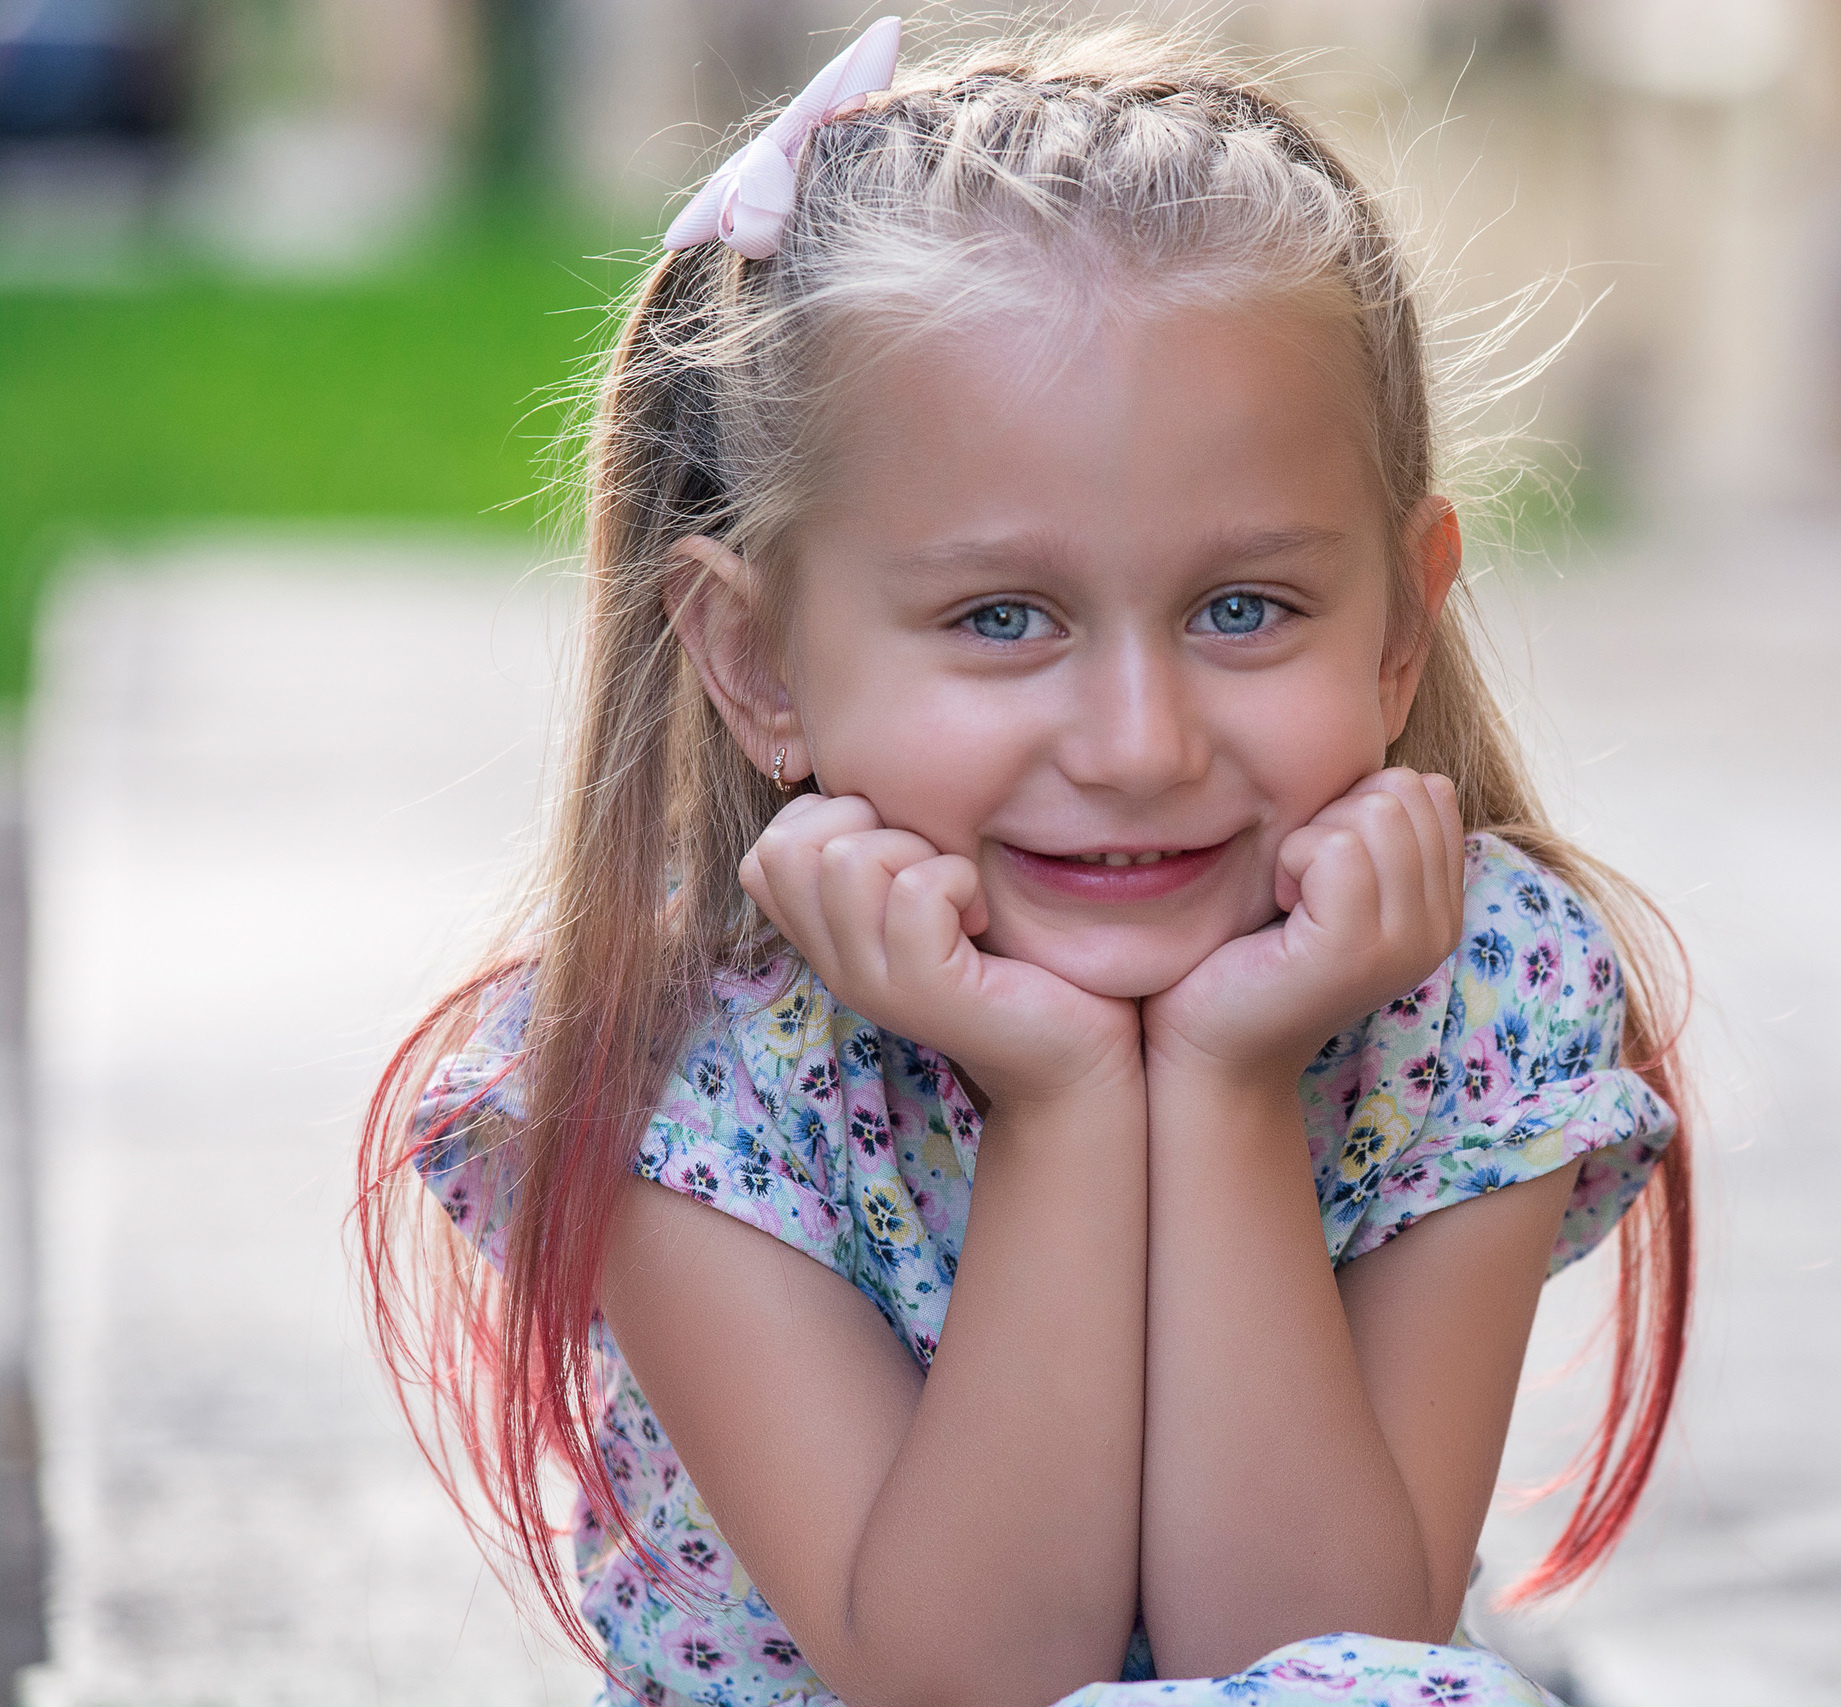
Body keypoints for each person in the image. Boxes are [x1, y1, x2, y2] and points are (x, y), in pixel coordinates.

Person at [354, 15, 1694, 1706]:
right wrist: (1064, 1098)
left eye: (1244, 608)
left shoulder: (1468, 988)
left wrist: (1221, 1081)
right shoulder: (673, 1062)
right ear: (757, 660)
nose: (1137, 743)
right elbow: (961, 1678)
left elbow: (1324, 1652)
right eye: (1002, 617)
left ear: (1401, 625)